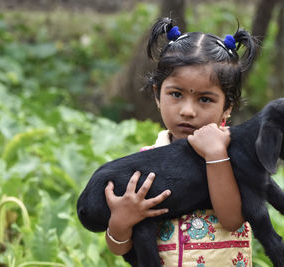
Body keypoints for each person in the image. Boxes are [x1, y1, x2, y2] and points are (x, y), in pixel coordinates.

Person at [104, 17, 256, 266]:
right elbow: (120, 248)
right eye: (175, 94)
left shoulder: (237, 158)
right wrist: (121, 221)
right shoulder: (144, 162)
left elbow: (232, 219)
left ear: (228, 107)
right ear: (157, 95)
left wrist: (216, 155)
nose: (187, 110)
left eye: (205, 99)